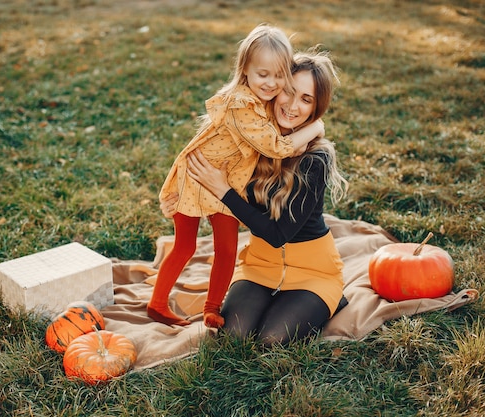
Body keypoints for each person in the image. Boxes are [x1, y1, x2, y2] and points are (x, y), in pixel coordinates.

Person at [148, 24, 326, 328]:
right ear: (245, 70)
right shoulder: (241, 104)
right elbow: (276, 145)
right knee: (185, 245)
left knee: (227, 248)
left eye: (279, 75)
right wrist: (316, 128)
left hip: (226, 184)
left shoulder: (265, 101)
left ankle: (212, 308)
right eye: (263, 74)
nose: (271, 84)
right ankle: (157, 304)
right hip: (196, 176)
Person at [180, 49, 349, 346]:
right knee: (235, 336)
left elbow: (277, 234)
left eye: (306, 100)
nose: (293, 106)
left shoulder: (315, 159)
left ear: (315, 110)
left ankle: (331, 299)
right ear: (274, 90)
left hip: (313, 272)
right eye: (289, 92)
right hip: (259, 266)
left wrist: (224, 191)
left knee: (272, 340)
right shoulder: (250, 143)